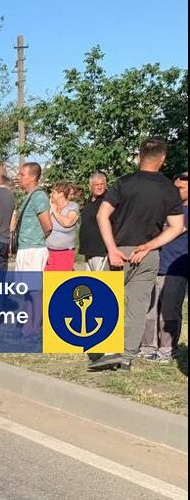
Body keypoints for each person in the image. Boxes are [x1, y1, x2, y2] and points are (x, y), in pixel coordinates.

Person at [91, 138, 184, 371]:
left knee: (103, 298)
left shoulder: (124, 183)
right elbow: (176, 227)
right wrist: (150, 246)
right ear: (162, 159)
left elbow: (102, 216)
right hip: (148, 255)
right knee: (137, 308)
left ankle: (105, 349)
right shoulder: (169, 189)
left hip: (119, 250)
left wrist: (111, 249)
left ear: (139, 156)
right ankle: (125, 357)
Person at [141, 172, 188, 363]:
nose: (175, 192)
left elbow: (176, 230)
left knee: (169, 310)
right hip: (157, 265)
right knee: (151, 309)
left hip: (177, 269)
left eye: (180, 188)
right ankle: (148, 346)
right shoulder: (168, 208)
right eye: (174, 188)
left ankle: (168, 349)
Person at [14, 162, 52, 337]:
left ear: (32, 177)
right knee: (27, 289)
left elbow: (48, 225)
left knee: (35, 289)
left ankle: (36, 326)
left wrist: (37, 240)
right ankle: (27, 324)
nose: (19, 177)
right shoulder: (28, 196)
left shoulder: (39, 196)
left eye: (22, 174)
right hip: (24, 248)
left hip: (34, 249)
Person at [45, 182, 80, 271]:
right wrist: (50, 210)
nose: (51, 194)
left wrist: (55, 212)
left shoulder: (72, 207)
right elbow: (44, 224)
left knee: (61, 281)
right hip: (48, 251)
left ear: (61, 194)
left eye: (53, 192)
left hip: (64, 252)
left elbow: (67, 222)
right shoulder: (50, 206)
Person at [78, 172, 109, 271]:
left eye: (102, 184)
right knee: (90, 281)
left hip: (100, 250)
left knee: (99, 281)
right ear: (90, 186)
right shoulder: (89, 201)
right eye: (96, 185)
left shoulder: (108, 201)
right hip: (88, 249)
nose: (99, 187)